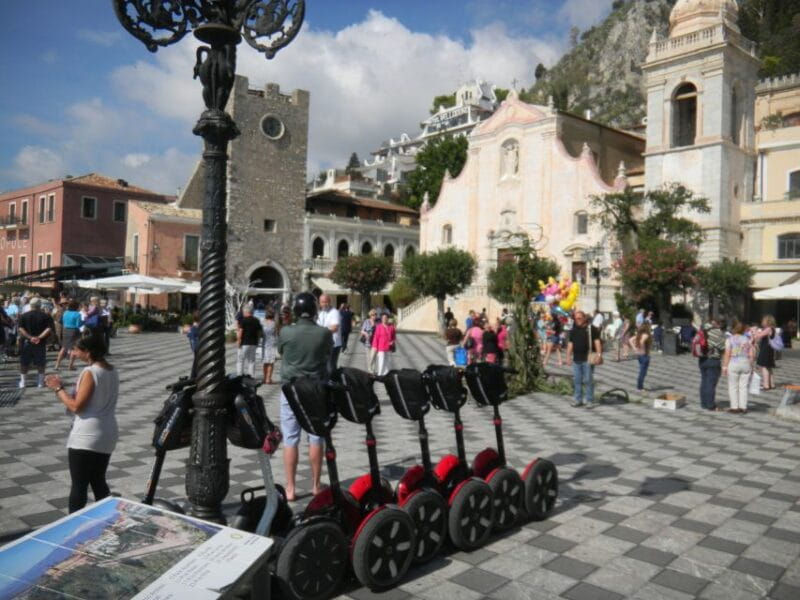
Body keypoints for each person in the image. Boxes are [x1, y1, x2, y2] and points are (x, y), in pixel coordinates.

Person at [45, 334, 118, 513]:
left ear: (88, 352)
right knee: (98, 481)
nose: (74, 353)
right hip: (107, 431)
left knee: (79, 485)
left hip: (87, 434)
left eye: (77, 350)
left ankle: (74, 524)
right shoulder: (112, 370)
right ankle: (111, 517)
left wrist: (57, 388)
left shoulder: (90, 372)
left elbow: (76, 406)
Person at [279, 292, 331, 501]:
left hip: (290, 390)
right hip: (315, 390)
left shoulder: (286, 332)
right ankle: (316, 485)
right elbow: (327, 355)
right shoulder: (324, 333)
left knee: (290, 439)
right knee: (316, 437)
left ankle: (290, 488)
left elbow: (282, 353)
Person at [566, 310, 602, 408]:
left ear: (584, 318)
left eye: (579, 318)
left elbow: (597, 342)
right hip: (576, 359)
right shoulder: (573, 330)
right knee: (577, 380)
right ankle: (578, 400)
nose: (577, 320)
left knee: (588, 380)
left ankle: (589, 400)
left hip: (588, 359)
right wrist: (568, 356)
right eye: (576, 318)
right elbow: (570, 344)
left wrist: (599, 355)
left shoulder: (591, 329)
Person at [18, 297, 54, 388]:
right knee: (40, 363)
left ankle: (23, 382)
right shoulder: (46, 316)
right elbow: (49, 329)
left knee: (24, 363)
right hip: (40, 342)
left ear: (30, 305)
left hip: (27, 342)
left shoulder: (24, 315)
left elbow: (21, 328)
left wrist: (30, 337)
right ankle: (40, 382)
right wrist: (39, 337)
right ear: (40, 305)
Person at [723, 321, 754, 414]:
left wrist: (724, 366)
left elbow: (727, 354)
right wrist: (751, 365)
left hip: (734, 363)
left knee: (733, 386)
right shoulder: (747, 339)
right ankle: (743, 407)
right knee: (743, 387)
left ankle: (734, 407)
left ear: (733, 329)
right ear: (744, 329)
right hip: (745, 363)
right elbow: (751, 354)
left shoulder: (730, 339)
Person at [698, 320, 726, 411]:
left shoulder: (702, 330)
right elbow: (722, 347)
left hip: (702, 359)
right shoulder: (717, 332)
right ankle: (711, 405)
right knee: (711, 383)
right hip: (713, 359)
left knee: (704, 381)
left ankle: (704, 403)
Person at [316, 294, 341, 374]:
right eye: (322, 302)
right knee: (323, 367)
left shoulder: (334, 312)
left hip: (333, 344)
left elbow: (334, 328)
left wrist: (322, 331)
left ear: (330, 302)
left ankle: (333, 383)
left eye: (326, 302)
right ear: (319, 303)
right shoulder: (320, 313)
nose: (324, 304)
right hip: (323, 344)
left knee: (330, 367)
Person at [236, 305, 262, 378]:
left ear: (246, 312)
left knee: (240, 360)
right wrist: (258, 341)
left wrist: (238, 341)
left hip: (244, 343)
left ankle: (239, 375)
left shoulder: (243, 321)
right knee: (251, 361)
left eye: (243, 312)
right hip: (253, 343)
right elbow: (259, 332)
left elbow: (241, 332)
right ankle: (251, 376)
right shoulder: (256, 320)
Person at [56, 301, 82, 370]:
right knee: (73, 348)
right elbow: (78, 325)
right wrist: (84, 322)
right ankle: (70, 366)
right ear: (76, 307)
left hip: (65, 330)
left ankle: (57, 365)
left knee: (63, 348)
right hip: (74, 331)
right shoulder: (77, 314)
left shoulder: (65, 313)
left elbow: (60, 321)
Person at [753, 315, 777, 390]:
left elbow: (758, 336)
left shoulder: (768, 329)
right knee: (769, 367)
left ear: (767, 321)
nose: (762, 322)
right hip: (769, 349)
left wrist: (755, 331)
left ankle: (766, 385)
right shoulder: (772, 329)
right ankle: (772, 384)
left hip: (766, 349)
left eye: (763, 320)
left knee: (764, 367)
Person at [629, 322, 652, 392]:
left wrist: (635, 348)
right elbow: (641, 342)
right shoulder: (646, 335)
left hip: (639, 355)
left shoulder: (639, 334)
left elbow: (630, 340)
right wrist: (640, 348)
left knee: (643, 372)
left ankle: (640, 387)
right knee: (643, 372)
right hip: (644, 355)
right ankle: (640, 388)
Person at [261, 310, 278, 384]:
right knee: (271, 363)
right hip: (272, 344)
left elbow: (261, 333)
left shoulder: (263, 323)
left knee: (265, 362)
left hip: (265, 344)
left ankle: (265, 378)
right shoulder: (274, 324)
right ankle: (268, 379)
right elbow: (276, 333)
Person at [360, 309, 378, 373]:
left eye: (375, 315)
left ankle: (373, 369)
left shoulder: (378, 323)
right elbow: (362, 331)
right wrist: (365, 333)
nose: (374, 316)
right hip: (367, 342)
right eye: (373, 315)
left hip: (375, 342)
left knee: (374, 356)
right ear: (370, 315)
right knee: (369, 357)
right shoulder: (366, 321)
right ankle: (370, 369)